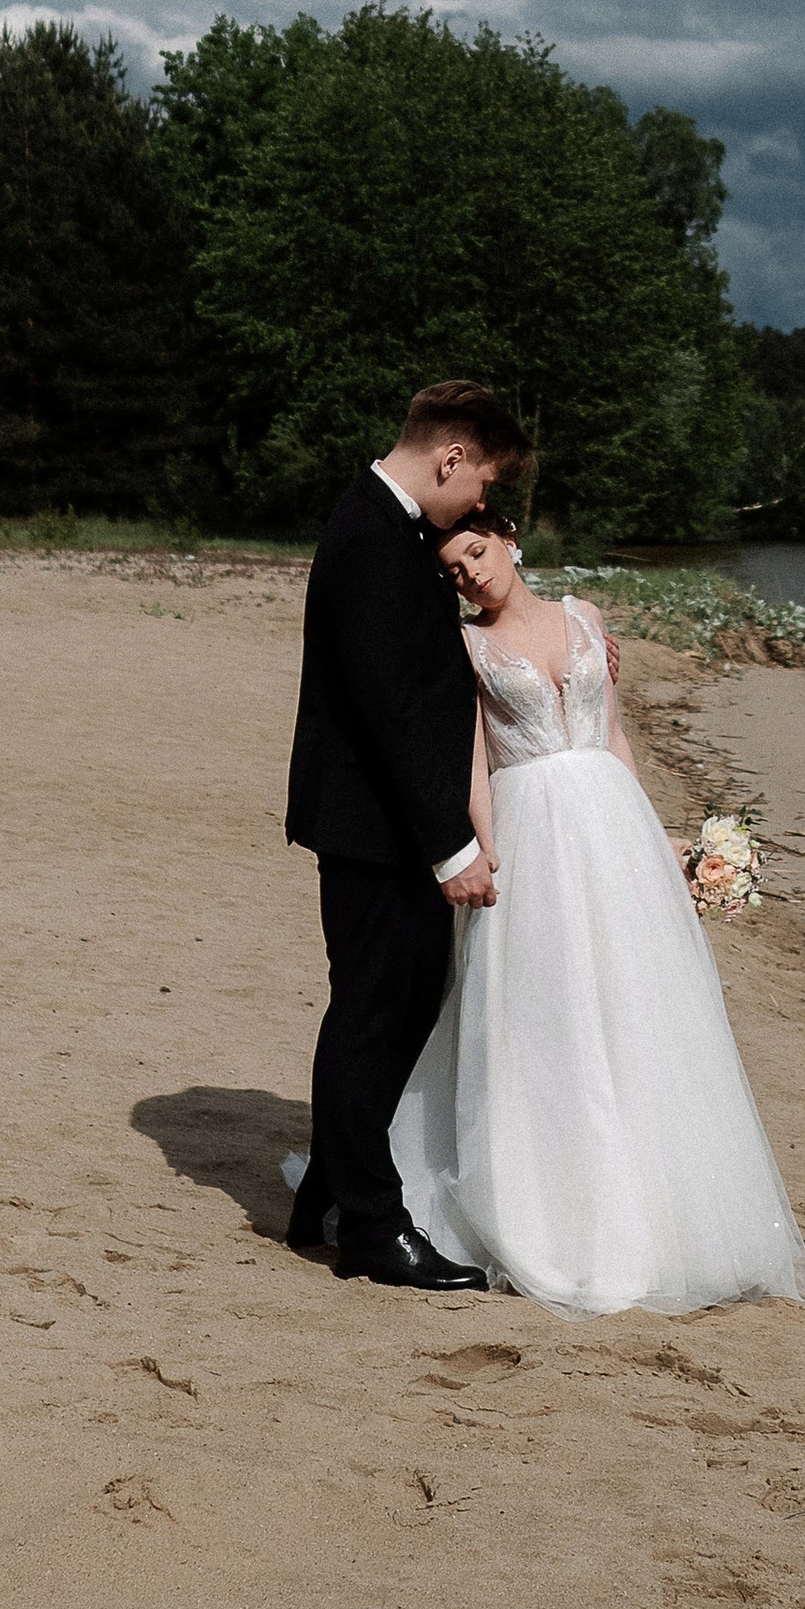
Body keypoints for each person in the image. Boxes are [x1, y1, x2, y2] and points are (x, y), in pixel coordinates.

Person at [389, 510, 805, 1317]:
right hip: (532, 836)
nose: (471, 574)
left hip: (612, 826)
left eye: (478, 553)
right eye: (454, 569)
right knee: (551, 1021)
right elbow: (473, 759)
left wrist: (659, 836)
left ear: (511, 541)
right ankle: (560, 1213)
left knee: (640, 1009)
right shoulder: (464, 645)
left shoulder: (586, 616)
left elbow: (614, 735)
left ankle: (665, 1211)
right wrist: (483, 854)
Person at [281, 380, 535, 1290]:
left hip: (369, 821)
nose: (476, 507)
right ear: (449, 456)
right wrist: (451, 845)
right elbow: (395, 711)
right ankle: (374, 1230)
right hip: (379, 827)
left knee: (381, 1008)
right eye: (479, 486)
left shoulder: (382, 527)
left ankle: (326, 1192)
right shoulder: (373, 542)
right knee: (376, 1016)